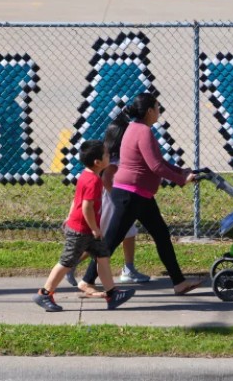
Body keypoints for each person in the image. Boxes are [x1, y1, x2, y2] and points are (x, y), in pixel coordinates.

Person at [77, 93, 203, 296]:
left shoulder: (135, 129)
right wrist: (181, 180)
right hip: (130, 196)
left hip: (140, 196)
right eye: (157, 107)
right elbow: (156, 166)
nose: (159, 111)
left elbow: (158, 161)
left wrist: (181, 171)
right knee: (111, 240)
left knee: (161, 235)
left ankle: (179, 282)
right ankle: (86, 280)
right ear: (149, 111)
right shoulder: (143, 131)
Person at [32, 140, 135, 312]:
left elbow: (77, 199)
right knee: (66, 262)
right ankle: (45, 293)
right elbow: (86, 207)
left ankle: (112, 294)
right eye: (107, 154)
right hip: (81, 231)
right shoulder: (93, 181)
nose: (110, 156)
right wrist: (95, 228)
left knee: (103, 257)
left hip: (86, 228)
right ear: (98, 162)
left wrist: (70, 215)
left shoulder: (86, 175)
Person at [65, 113, 151, 287]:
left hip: (112, 199)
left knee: (128, 233)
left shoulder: (110, 153)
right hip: (110, 202)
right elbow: (106, 180)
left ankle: (129, 268)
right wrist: (118, 199)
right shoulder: (113, 158)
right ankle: (71, 265)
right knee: (103, 239)